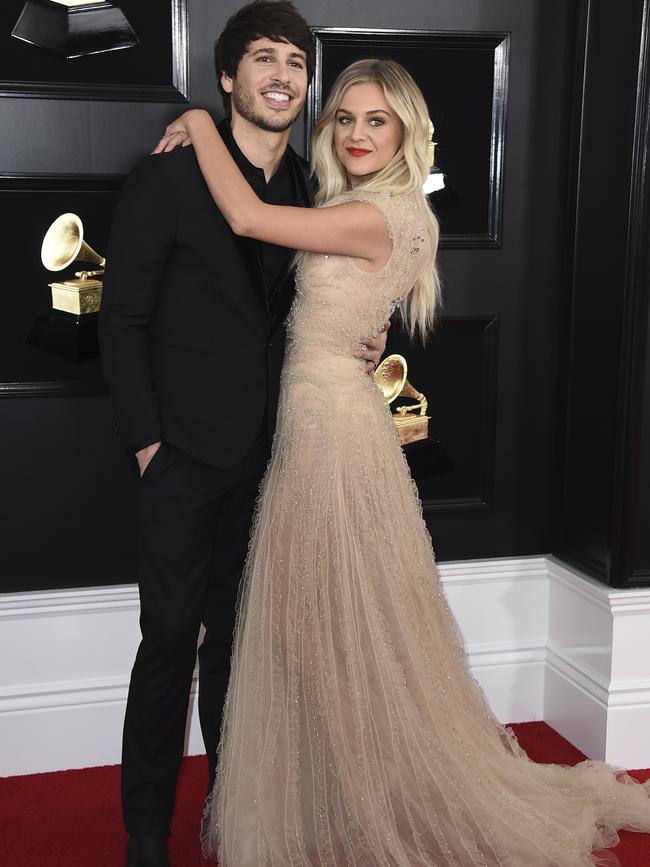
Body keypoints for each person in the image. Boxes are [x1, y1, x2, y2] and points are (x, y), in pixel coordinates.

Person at [155, 55, 650, 867]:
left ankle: (357, 802)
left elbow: (244, 217)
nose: (355, 133)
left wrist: (202, 122)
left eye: (374, 120)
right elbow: (336, 302)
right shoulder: (378, 207)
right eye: (344, 118)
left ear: (406, 131)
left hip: (331, 438)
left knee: (334, 625)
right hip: (326, 422)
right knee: (331, 626)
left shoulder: (380, 212)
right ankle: (345, 793)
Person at [97, 4, 387, 866]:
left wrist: (372, 338)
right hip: (182, 455)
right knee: (169, 644)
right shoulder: (168, 178)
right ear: (228, 78)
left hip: (276, 456)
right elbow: (121, 322)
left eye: (296, 63)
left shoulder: (309, 185)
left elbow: (326, 300)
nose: (282, 76)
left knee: (245, 642)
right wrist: (150, 444)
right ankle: (146, 832)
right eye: (264, 58)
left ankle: (237, 807)